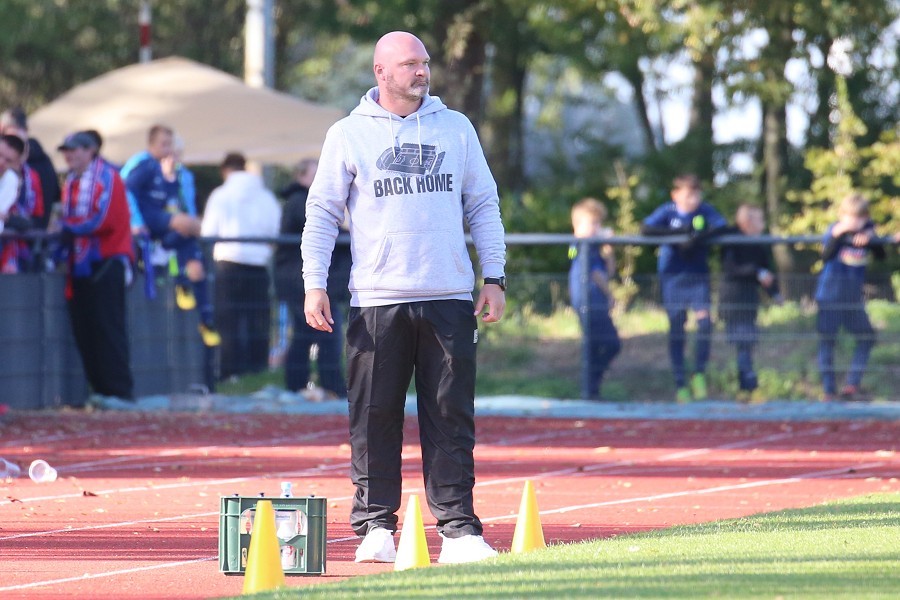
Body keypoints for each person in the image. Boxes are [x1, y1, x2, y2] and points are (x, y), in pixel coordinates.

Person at [302, 31, 506, 565]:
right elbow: (321, 213)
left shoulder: (456, 128)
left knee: (450, 414)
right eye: (410, 64)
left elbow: (483, 203)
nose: (421, 72)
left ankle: (459, 531)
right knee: (373, 415)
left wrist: (495, 276)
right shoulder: (347, 134)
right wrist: (313, 282)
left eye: (425, 62)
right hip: (376, 298)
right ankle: (374, 526)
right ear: (380, 72)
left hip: (448, 295)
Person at [123, 124, 220, 347]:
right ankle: (174, 267)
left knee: (197, 266)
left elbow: (181, 201)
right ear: (152, 145)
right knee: (194, 226)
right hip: (153, 220)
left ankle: (205, 319)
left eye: (172, 147)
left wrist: (171, 179)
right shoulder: (143, 164)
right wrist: (136, 223)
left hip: (171, 226)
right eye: (164, 145)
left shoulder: (179, 172)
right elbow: (127, 191)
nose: (169, 151)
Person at [56, 131, 134, 403]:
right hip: (79, 265)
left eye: (75, 149)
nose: (69, 155)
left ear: (91, 151)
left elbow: (103, 220)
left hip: (106, 261)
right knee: (84, 328)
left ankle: (119, 391)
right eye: (66, 150)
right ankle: (100, 390)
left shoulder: (107, 177)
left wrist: (66, 227)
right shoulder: (71, 182)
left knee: (107, 328)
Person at [641, 173, 727, 403]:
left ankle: (699, 372)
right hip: (673, 278)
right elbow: (646, 229)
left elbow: (722, 227)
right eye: (688, 194)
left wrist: (697, 238)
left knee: (705, 323)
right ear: (676, 195)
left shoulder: (705, 211)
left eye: (697, 194)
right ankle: (680, 382)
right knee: (677, 327)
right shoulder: (667, 212)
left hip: (698, 277)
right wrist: (678, 236)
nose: (693, 199)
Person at [274, 158, 351, 398]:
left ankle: (301, 385)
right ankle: (330, 386)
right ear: (301, 176)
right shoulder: (301, 201)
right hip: (300, 281)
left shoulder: (299, 201)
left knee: (306, 334)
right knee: (326, 331)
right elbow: (323, 226)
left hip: (301, 279)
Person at [201, 152, 281, 380]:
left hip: (228, 262)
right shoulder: (265, 196)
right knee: (258, 320)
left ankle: (229, 371)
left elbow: (209, 232)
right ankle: (257, 370)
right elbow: (275, 230)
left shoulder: (220, 195)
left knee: (228, 320)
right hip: (258, 264)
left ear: (224, 170)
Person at [815, 193, 898, 402]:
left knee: (867, 337)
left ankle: (852, 384)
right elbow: (825, 256)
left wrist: (871, 238)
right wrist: (838, 235)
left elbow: (881, 256)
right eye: (850, 217)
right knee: (827, 342)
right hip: (830, 298)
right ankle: (828, 390)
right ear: (842, 216)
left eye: (859, 218)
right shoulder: (835, 231)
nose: (854, 222)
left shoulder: (867, 230)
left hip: (852, 301)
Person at [719, 204, 782, 400]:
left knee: (747, 342)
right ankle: (748, 387)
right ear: (746, 222)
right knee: (744, 341)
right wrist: (756, 272)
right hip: (732, 300)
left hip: (749, 302)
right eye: (759, 220)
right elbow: (731, 268)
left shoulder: (758, 245)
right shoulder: (732, 239)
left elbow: (765, 271)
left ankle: (746, 389)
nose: (762, 225)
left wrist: (775, 293)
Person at [568, 198, 621, 400]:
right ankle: (591, 387)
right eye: (593, 223)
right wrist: (610, 294)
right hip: (588, 301)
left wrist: (609, 251)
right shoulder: (582, 244)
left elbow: (608, 270)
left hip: (594, 300)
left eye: (599, 223)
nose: (598, 228)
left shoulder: (593, 245)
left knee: (598, 345)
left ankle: (592, 389)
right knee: (610, 343)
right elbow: (596, 275)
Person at [1, 107, 59, 229]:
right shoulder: (41, 162)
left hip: (21, 240)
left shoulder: (32, 174)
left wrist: (12, 219)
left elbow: (37, 214)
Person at [0, 134, 44, 273]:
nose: (1, 162)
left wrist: (9, 218)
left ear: (17, 162)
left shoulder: (26, 180)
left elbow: (35, 219)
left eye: (8, 160)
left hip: (10, 253)